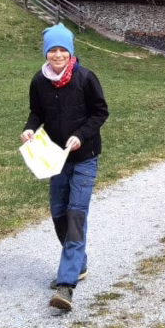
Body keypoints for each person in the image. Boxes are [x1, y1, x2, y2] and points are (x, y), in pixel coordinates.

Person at [22, 23, 109, 312]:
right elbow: (36, 112)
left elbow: (100, 112)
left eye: (62, 50)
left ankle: (66, 284)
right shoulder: (39, 81)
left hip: (85, 157)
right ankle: (78, 262)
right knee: (58, 213)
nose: (57, 55)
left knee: (75, 214)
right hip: (55, 158)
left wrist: (81, 136)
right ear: (46, 53)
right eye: (52, 50)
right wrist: (30, 129)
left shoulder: (85, 78)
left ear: (70, 52)